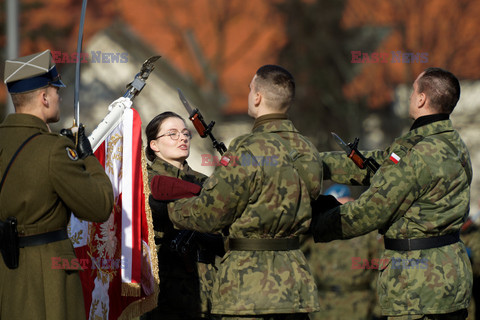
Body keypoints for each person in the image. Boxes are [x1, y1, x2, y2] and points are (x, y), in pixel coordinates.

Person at [311, 67, 473, 320]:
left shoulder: (418, 154)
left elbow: (370, 211)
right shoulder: (453, 145)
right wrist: (315, 165)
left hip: (418, 288)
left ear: (421, 99)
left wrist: (312, 220)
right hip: (450, 277)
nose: (409, 97)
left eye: (412, 91)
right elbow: (378, 163)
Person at [165, 65, 322, 320]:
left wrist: (169, 211)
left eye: (251, 89)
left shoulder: (246, 149)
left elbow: (211, 214)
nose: (249, 94)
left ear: (258, 97)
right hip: (294, 282)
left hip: (248, 286)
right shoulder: (308, 150)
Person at [0, 50, 114, 319]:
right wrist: (87, 158)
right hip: (45, 279)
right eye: (56, 91)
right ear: (43, 98)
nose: (59, 97)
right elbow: (99, 206)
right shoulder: (54, 150)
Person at [141, 111, 224, 319]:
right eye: (172, 134)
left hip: (206, 288)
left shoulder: (204, 181)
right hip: (164, 291)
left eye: (186, 133)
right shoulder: (145, 180)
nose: (182, 138)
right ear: (154, 145)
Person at [302, 184, 384, 320]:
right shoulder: (317, 232)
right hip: (322, 305)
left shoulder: (368, 234)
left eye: (344, 205)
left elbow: (378, 269)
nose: (339, 213)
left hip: (358, 306)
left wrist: (378, 309)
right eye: (336, 207)